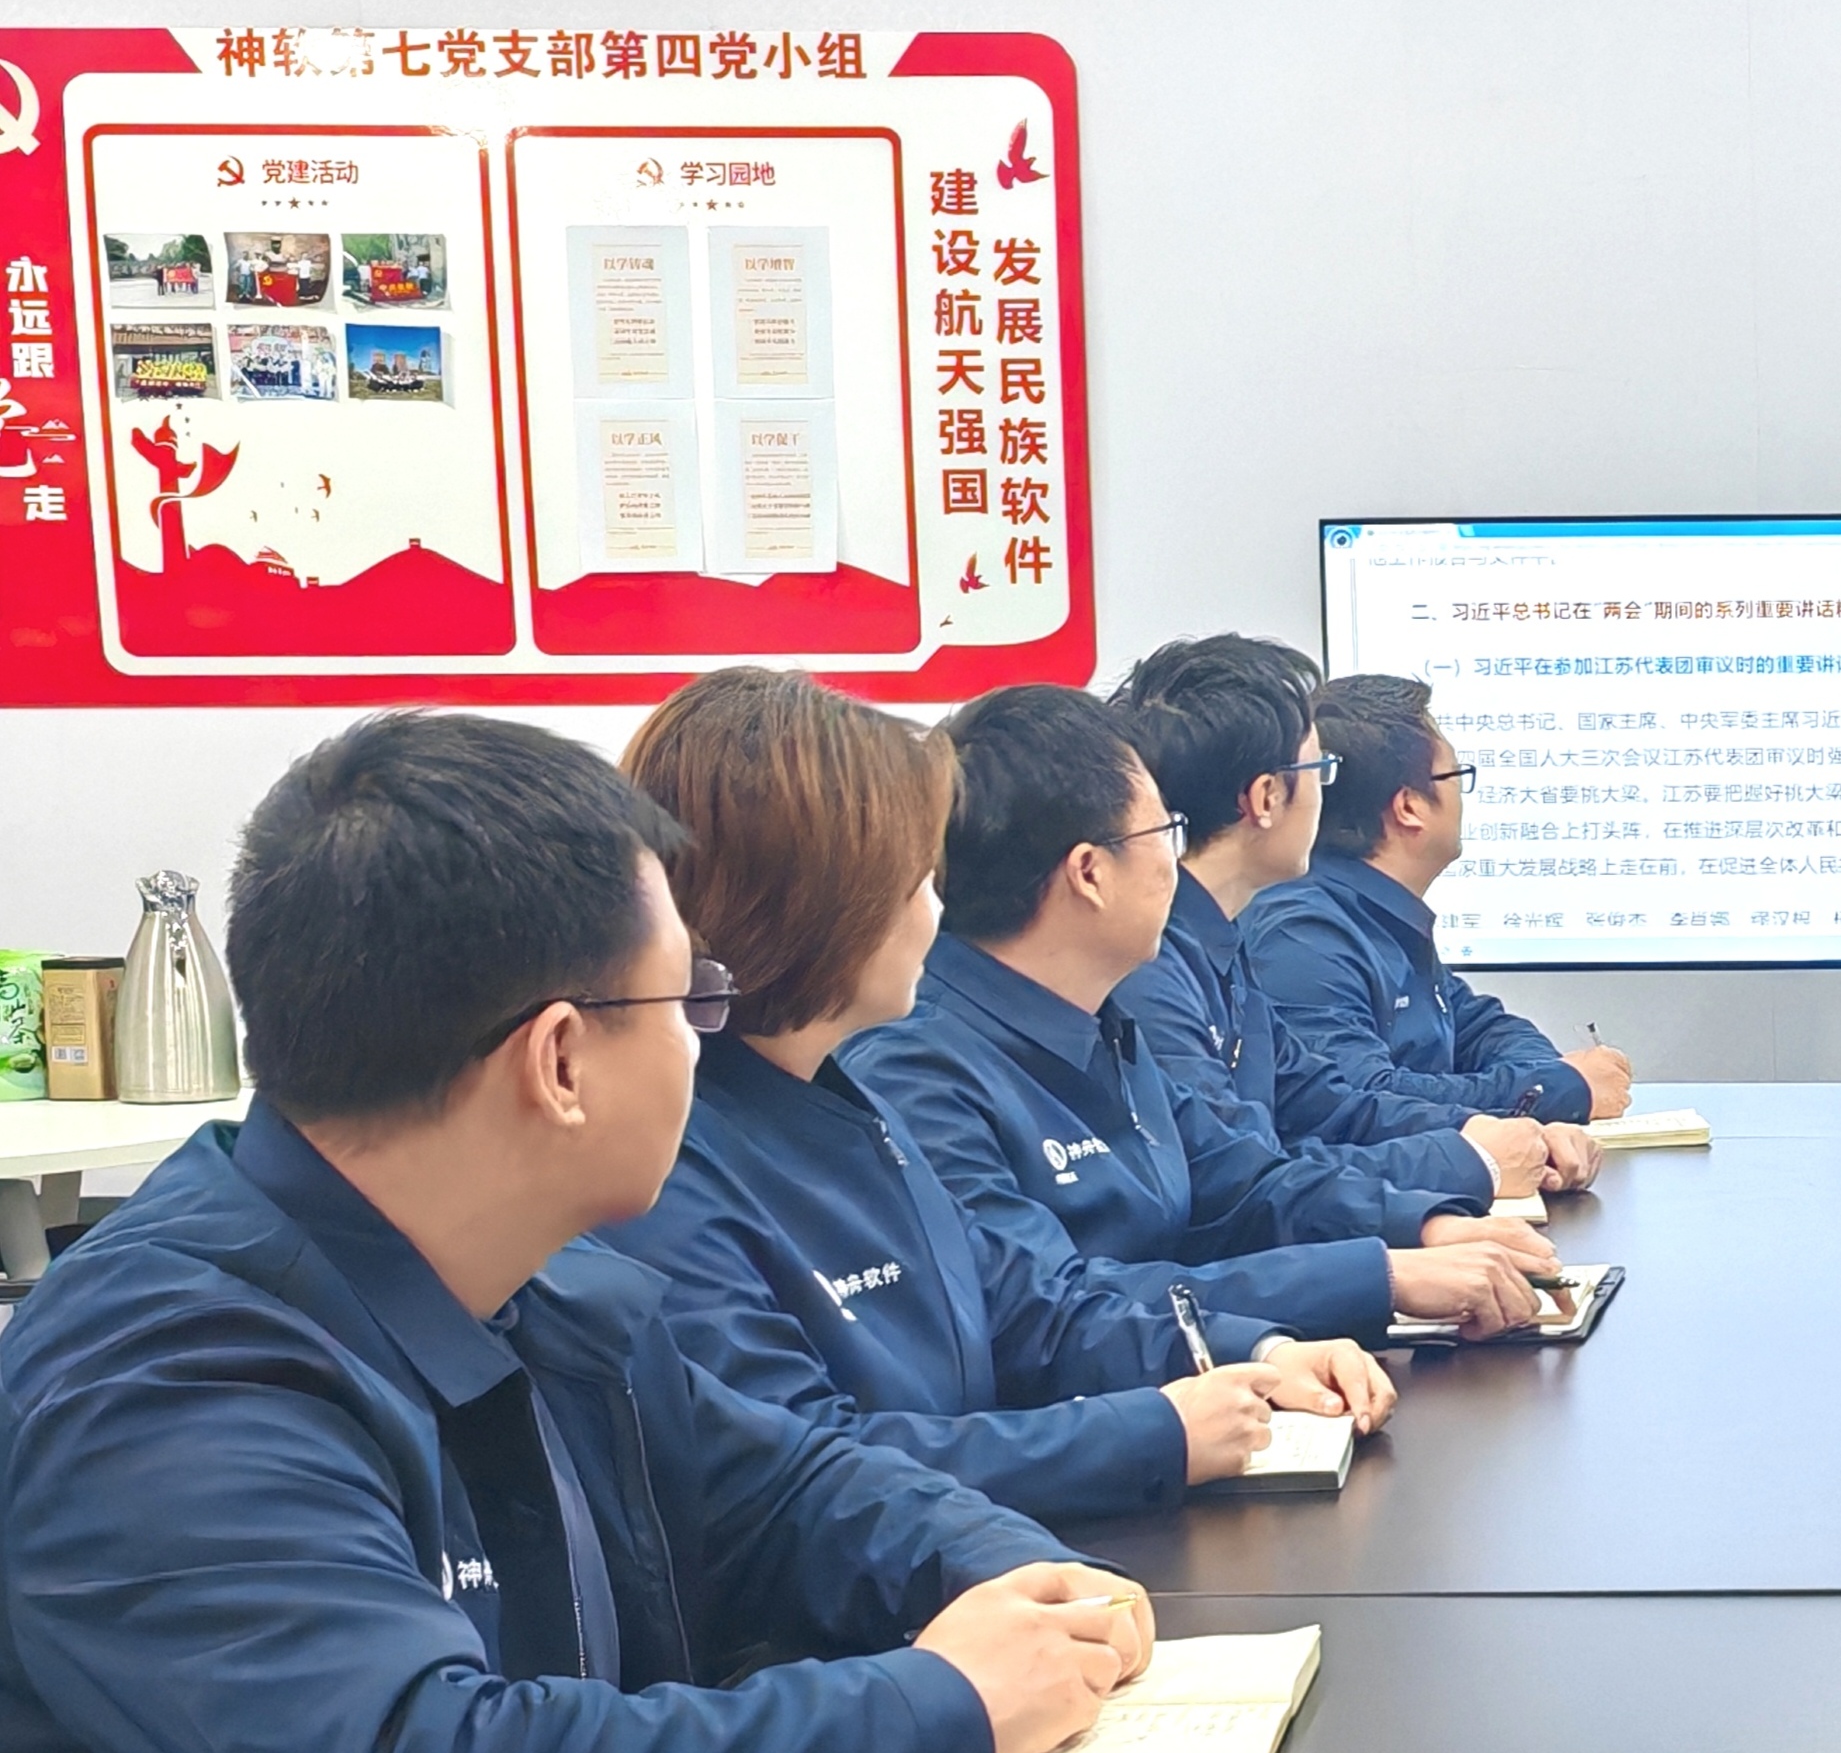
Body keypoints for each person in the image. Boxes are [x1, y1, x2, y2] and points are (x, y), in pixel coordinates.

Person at [0, 712, 1148, 1753]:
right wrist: (944, 1705)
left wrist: (1011, 1574)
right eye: (688, 999)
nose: (703, 1039)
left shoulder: (536, 1287)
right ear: (558, 1058)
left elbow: (792, 1488)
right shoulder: (166, 1378)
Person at [606, 668, 1398, 1532]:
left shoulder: (851, 1100)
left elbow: (1034, 1308)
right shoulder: (676, 1168)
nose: (936, 909)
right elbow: (808, 1473)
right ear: (825, 905)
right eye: (914, 878)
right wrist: (1150, 1434)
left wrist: (1257, 1351)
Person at [849, 683, 1550, 1352]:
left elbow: (1242, 1183)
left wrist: (1422, 1227)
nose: (1176, 863)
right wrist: (1377, 1276)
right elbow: (1050, 1313)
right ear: (1090, 873)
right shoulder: (919, 1071)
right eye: (1165, 832)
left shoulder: (1097, 1021)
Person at [1107, 635, 1599, 1203]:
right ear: (1266, 797)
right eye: (1319, 770)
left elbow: (1329, 1102)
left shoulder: (1217, 942)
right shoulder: (1161, 964)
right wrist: (1470, 1161)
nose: (1325, 795)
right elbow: (1233, 1182)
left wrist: (1488, 1133)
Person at [1242, 674, 1637, 1124]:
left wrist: (1550, 1078)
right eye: (1455, 776)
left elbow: (1481, 1027)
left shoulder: (1381, 916)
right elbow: (1359, 1100)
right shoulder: (1304, 935)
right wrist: (1560, 1090)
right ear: (1409, 807)